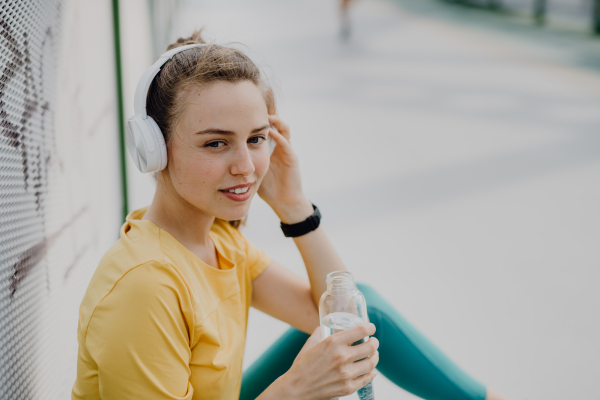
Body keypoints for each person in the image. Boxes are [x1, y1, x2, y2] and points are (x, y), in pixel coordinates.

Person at [71, 31, 509, 400]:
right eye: (216, 143)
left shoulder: (219, 240)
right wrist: (295, 390)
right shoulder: (145, 286)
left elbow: (345, 312)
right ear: (155, 149)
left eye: (257, 139)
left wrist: (294, 207)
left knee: (353, 310)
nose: (245, 165)